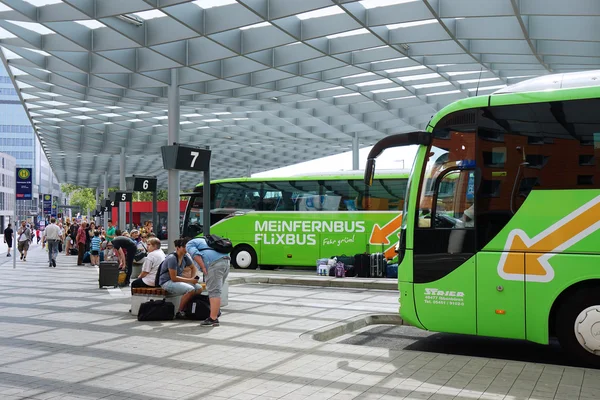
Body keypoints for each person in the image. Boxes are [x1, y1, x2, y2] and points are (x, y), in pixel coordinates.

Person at [186, 237, 231, 327]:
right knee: (217, 290)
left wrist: (203, 267)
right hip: (226, 261)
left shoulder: (189, 244)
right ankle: (215, 313)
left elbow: (196, 255)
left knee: (214, 292)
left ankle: (213, 318)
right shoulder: (206, 241)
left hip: (214, 264)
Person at [158, 238, 202, 317]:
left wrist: (193, 278)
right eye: (184, 247)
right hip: (166, 282)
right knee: (190, 289)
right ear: (178, 248)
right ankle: (180, 311)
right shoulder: (172, 258)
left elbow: (193, 267)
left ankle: (188, 308)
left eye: (187, 247)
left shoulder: (185, 256)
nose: (186, 249)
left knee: (199, 288)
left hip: (176, 281)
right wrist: (190, 280)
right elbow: (173, 278)